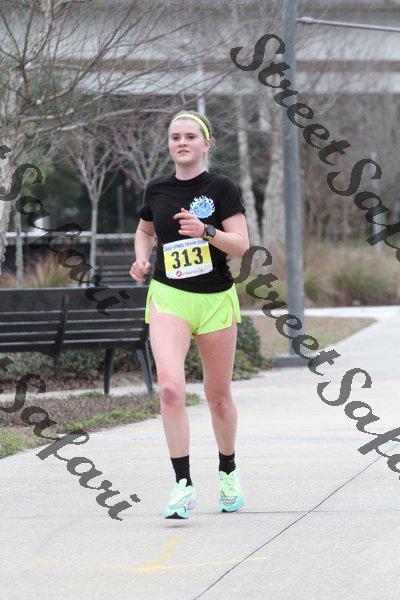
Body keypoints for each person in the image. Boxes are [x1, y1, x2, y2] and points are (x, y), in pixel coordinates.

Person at [131, 110, 250, 519]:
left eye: (190, 137)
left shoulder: (222, 187)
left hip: (215, 299)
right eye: (175, 137)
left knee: (218, 398)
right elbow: (145, 231)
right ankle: (182, 484)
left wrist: (206, 231)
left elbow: (242, 245)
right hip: (169, 297)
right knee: (169, 389)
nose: (181, 143)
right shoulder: (157, 188)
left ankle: (228, 470)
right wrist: (141, 259)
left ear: (206, 143)